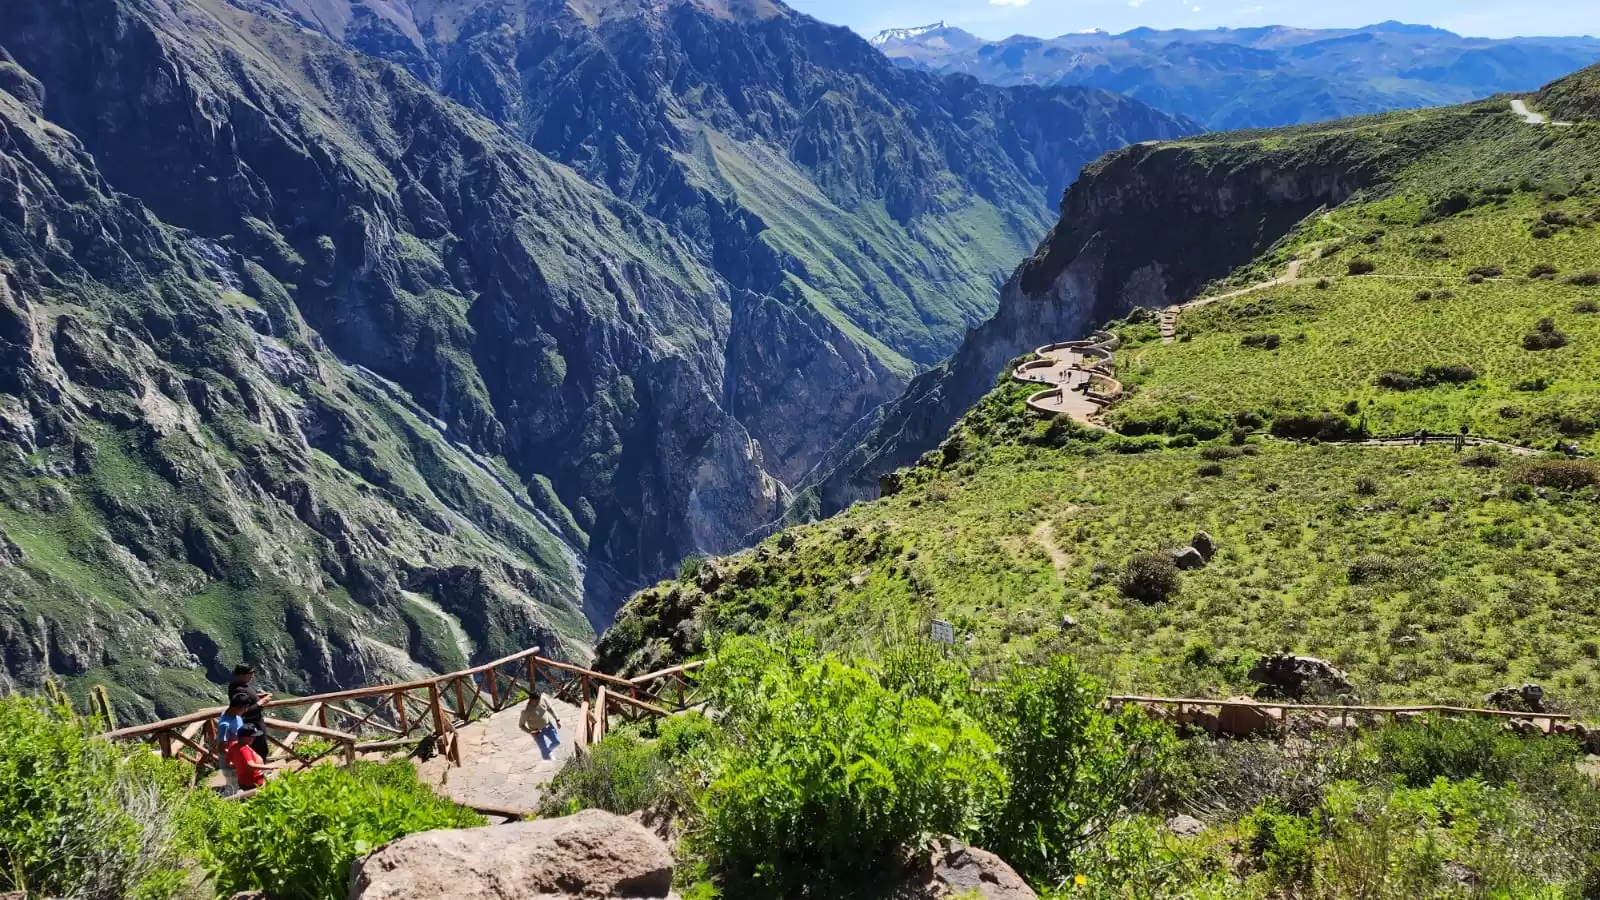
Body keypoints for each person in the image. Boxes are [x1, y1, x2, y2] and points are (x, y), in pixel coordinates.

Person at [227, 663, 273, 760]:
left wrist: (258, 696)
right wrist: (261, 702)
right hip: (250, 725)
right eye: (251, 673)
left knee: (261, 748)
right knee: (258, 749)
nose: (252, 675)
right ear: (242, 675)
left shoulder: (242, 685)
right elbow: (244, 711)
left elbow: (247, 699)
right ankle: (258, 770)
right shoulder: (237, 690)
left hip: (255, 723)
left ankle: (259, 769)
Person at [223, 723, 286, 791]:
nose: (254, 738)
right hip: (254, 782)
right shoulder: (244, 749)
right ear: (244, 737)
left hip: (243, 781)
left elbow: (227, 762)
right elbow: (251, 765)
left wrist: (239, 766)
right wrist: (271, 766)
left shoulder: (233, 745)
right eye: (252, 736)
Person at [215, 700, 247, 795]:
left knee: (237, 781)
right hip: (229, 757)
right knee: (231, 784)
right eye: (244, 708)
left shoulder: (237, 718)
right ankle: (226, 803)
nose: (246, 710)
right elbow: (221, 746)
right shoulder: (225, 724)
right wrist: (230, 759)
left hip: (237, 754)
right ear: (237, 707)